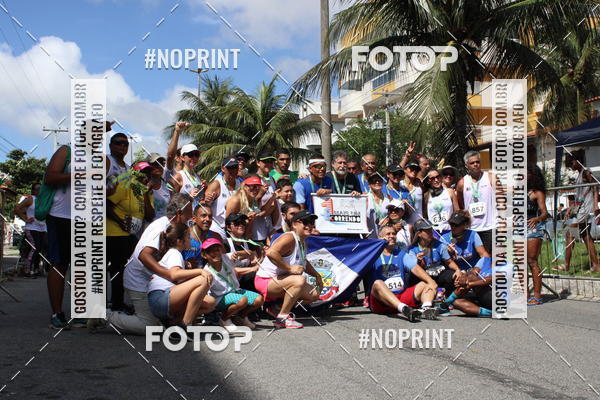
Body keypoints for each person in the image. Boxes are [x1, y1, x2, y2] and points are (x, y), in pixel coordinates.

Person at [88, 194, 197, 335]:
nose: (191, 216)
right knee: (149, 327)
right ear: (179, 213)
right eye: (189, 212)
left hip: (152, 283)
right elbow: (144, 255)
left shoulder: (170, 225)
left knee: (159, 322)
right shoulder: (161, 226)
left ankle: (164, 320)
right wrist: (168, 273)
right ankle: (103, 316)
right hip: (138, 282)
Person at [254, 210, 324, 329]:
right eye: (305, 222)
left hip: (280, 280)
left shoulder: (302, 241)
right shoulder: (289, 237)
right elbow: (270, 253)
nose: (309, 225)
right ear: (295, 224)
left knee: (314, 294)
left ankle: (276, 308)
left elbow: (304, 262)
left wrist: (317, 275)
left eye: (312, 222)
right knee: (299, 280)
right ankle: (282, 318)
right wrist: (289, 268)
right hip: (265, 280)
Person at [147, 223, 216, 330]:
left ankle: (173, 324)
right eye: (188, 237)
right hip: (160, 298)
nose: (190, 239)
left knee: (210, 303)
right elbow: (174, 274)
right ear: (179, 241)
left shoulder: (175, 254)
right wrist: (200, 271)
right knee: (204, 279)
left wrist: (188, 267)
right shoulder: (174, 253)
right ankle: (185, 324)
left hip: (165, 299)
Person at [106, 162, 155, 311]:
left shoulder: (146, 191)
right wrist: (119, 221)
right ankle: (112, 305)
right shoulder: (124, 186)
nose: (146, 176)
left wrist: (145, 193)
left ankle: (119, 302)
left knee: (129, 267)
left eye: (148, 173)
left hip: (130, 235)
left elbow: (149, 215)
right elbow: (105, 204)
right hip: (114, 234)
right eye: (142, 172)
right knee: (116, 269)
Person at [368, 226, 439, 321]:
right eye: (388, 234)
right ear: (380, 237)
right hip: (382, 301)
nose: (392, 236)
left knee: (426, 283)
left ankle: (426, 308)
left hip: (401, 297)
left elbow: (414, 267)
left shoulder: (401, 254)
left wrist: (431, 282)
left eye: (394, 234)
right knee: (377, 283)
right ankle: (404, 309)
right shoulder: (373, 255)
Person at [201, 238, 264, 331]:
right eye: (211, 251)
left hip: (235, 291)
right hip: (220, 298)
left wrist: (238, 253)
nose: (216, 253)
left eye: (218, 250)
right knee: (242, 300)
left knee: (259, 299)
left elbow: (249, 253)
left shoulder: (226, 257)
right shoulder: (207, 271)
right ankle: (224, 319)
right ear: (204, 255)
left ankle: (240, 317)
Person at [44, 144, 73, 329]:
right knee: (60, 263)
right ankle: (57, 313)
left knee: (82, 266)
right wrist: (80, 175)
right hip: (61, 215)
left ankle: (81, 313)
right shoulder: (67, 151)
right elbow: (50, 177)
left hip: (86, 218)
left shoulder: (98, 157)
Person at [404, 219, 461, 296]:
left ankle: (449, 297)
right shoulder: (412, 250)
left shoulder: (439, 245)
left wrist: (457, 270)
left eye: (431, 230)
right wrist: (418, 261)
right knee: (414, 279)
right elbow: (414, 269)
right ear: (419, 234)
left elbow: (449, 262)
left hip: (439, 274)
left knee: (453, 276)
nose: (431, 233)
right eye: (427, 231)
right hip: (423, 276)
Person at [565, 150, 600, 272]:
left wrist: (595, 204)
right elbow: (581, 196)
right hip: (581, 209)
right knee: (586, 236)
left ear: (577, 161)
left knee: (570, 233)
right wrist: (571, 208)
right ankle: (596, 265)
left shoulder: (586, 172)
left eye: (572, 162)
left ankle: (566, 265)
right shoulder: (580, 175)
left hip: (586, 210)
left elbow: (596, 185)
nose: (571, 164)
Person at [456, 151, 497, 254]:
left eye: (477, 162)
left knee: (490, 257)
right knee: (474, 258)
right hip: (472, 228)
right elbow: (461, 203)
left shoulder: (490, 178)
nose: (475, 164)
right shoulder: (462, 183)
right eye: (472, 163)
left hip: (490, 226)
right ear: (466, 165)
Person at [226, 176, 274, 243]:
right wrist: (247, 220)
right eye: (252, 186)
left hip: (245, 237)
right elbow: (227, 223)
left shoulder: (252, 199)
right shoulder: (236, 200)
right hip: (234, 239)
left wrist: (273, 197)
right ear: (245, 187)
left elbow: (262, 211)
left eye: (258, 187)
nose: (255, 189)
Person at [526, 165, 549, 305]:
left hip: (533, 228)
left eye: (526, 174)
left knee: (532, 261)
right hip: (518, 228)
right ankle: (525, 294)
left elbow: (545, 213)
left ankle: (537, 295)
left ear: (532, 175)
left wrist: (537, 218)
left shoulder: (537, 193)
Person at [14, 183, 47, 277]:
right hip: (32, 227)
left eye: (41, 188)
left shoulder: (44, 200)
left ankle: (36, 269)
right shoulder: (30, 199)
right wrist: (26, 219)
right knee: (35, 247)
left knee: (40, 249)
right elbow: (17, 208)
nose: (40, 190)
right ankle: (26, 270)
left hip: (43, 228)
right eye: (37, 188)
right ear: (33, 190)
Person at [204, 156, 242, 238]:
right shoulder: (216, 184)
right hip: (218, 229)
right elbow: (203, 205)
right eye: (230, 168)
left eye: (235, 167)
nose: (233, 170)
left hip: (234, 230)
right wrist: (207, 201)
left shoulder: (240, 184)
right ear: (223, 169)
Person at [223, 213, 261, 292]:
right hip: (231, 282)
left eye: (243, 223)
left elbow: (254, 262)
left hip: (246, 278)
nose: (241, 225)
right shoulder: (225, 244)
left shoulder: (248, 243)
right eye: (237, 223)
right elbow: (228, 269)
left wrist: (261, 258)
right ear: (228, 227)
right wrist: (252, 268)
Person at [182, 204, 224, 268]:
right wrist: (185, 263)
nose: (207, 219)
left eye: (210, 216)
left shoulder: (216, 237)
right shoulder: (184, 236)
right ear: (194, 219)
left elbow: (224, 259)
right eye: (203, 216)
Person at [169, 143, 206, 208]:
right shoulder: (178, 177)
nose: (194, 158)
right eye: (190, 154)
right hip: (185, 214)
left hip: (196, 213)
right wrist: (188, 197)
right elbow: (170, 201)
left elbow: (200, 199)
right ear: (182, 157)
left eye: (197, 155)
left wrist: (205, 188)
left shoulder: (198, 177)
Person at [424, 169, 459, 236]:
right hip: (434, 232)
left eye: (438, 177)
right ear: (428, 181)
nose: (436, 180)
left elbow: (457, 211)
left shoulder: (450, 192)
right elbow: (425, 216)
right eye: (433, 178)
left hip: (449, 230)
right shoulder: (426, 196)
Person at [366, 174, 391, 238]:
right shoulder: (365, 198)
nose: (377, 182)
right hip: (370, 235)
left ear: (382, 183)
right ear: (369, 184)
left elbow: (395, 214)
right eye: (373, 181)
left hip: (385, 235)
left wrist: (389, 219)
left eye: (379, 180)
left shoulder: (388, 197)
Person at [106, 132, 130, 196]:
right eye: (118, 143)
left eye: (125, 144)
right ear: (110, 146)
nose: (122, 146)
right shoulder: (106, 160)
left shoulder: (129, 169)